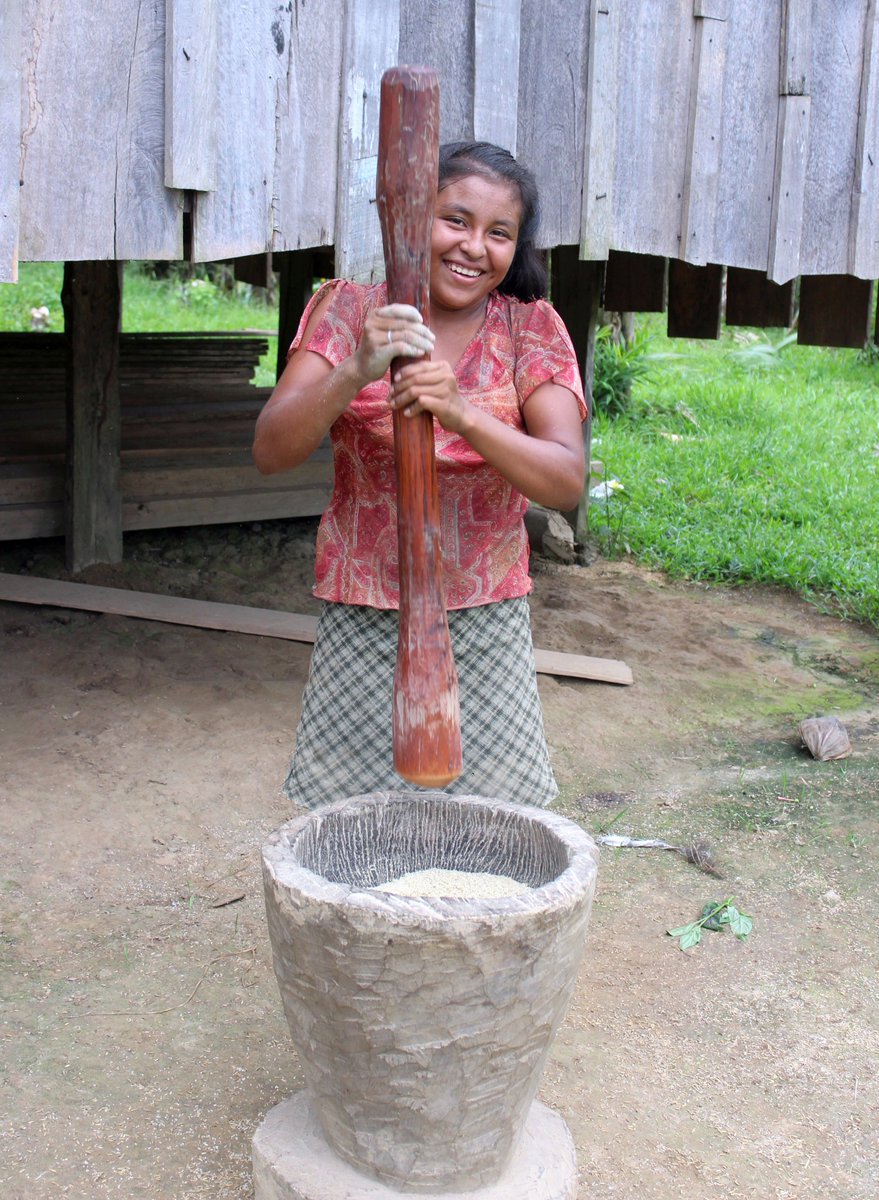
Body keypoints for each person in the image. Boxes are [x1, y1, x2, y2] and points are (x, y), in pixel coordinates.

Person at [252, 141, 587, 809]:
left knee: (491, 817)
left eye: (498, 233)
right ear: (409, 220)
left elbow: (563, 479)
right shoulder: (347, 311)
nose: (472, 247)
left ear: (514, 250)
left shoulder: (529, 328)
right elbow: (271, 451)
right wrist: (356, 369)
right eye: (453, 220)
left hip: (483, 612)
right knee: (354, 818)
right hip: (364, 606)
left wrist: (462, 413)